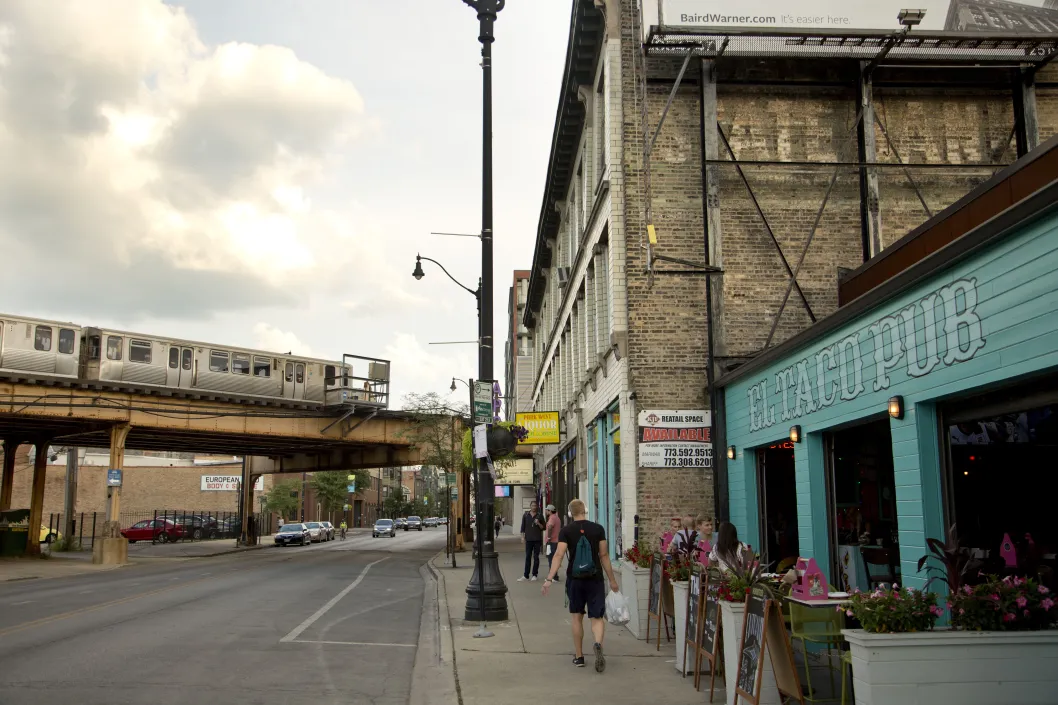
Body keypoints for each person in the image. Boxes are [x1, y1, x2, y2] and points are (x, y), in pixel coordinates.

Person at [542, 499, 620, 672]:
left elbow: (559, 555)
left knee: (577, 617)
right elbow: (604, 555)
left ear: (570, 513)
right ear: (585, 510)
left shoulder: (566, 531)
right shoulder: (598, 529)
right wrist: (612, 580)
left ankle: (579, 657)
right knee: (597, 617)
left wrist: (549, 578)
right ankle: (598, 644)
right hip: (595, 578)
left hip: (575, 580)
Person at [519, 500, 546, 581]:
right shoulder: (526, 515)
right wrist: (522, 537)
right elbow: (522, 527)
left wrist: (538, 523)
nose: (534, 507)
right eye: (532, 505)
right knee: (528, 557)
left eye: (535, 506)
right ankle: (526, 575)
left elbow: (544, 528)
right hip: (529, 539)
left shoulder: (540, 515)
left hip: (537, 539)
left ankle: (535, 574)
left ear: (537, 507)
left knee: (536, 557)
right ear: (530, 506)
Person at [544, 504, 562, 583]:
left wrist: (548, 537)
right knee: (554, 558)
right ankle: (555, 576)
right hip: (556, 541)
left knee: (551, 559)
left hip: (551, 542)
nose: (546, 511)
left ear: (550, 511)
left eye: (547, 510)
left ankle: (552, 576)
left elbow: (550, 527)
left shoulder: (552, 518)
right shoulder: (557, 518)